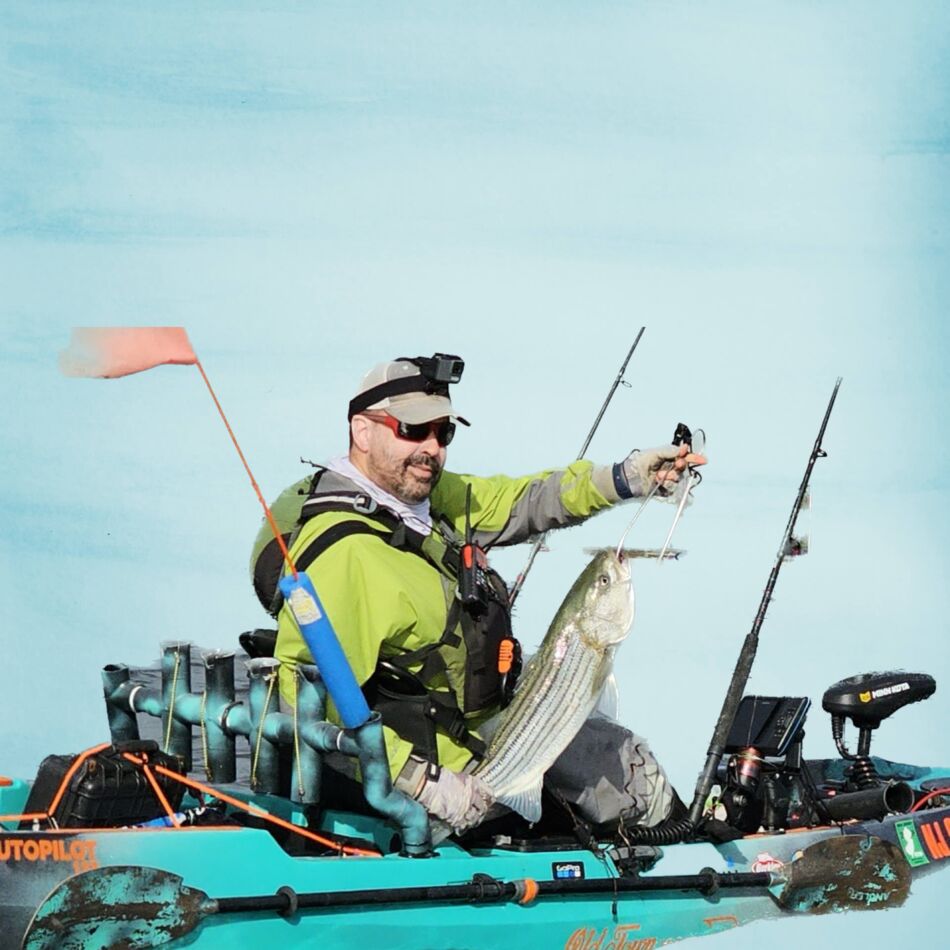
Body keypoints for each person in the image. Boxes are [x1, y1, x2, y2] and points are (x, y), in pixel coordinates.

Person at [251, 353, 706, 835]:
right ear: (362, 432)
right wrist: (423, 782)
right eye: (413, 430)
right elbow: (301, 696)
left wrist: (625, 477)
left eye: (443, 433)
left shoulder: (423, 495)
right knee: (615, 795)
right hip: (444, 769)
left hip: (490, 722)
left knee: (631, 762)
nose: (431, 449)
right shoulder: (346, 556)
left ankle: (691, 833)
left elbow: (525, 500)